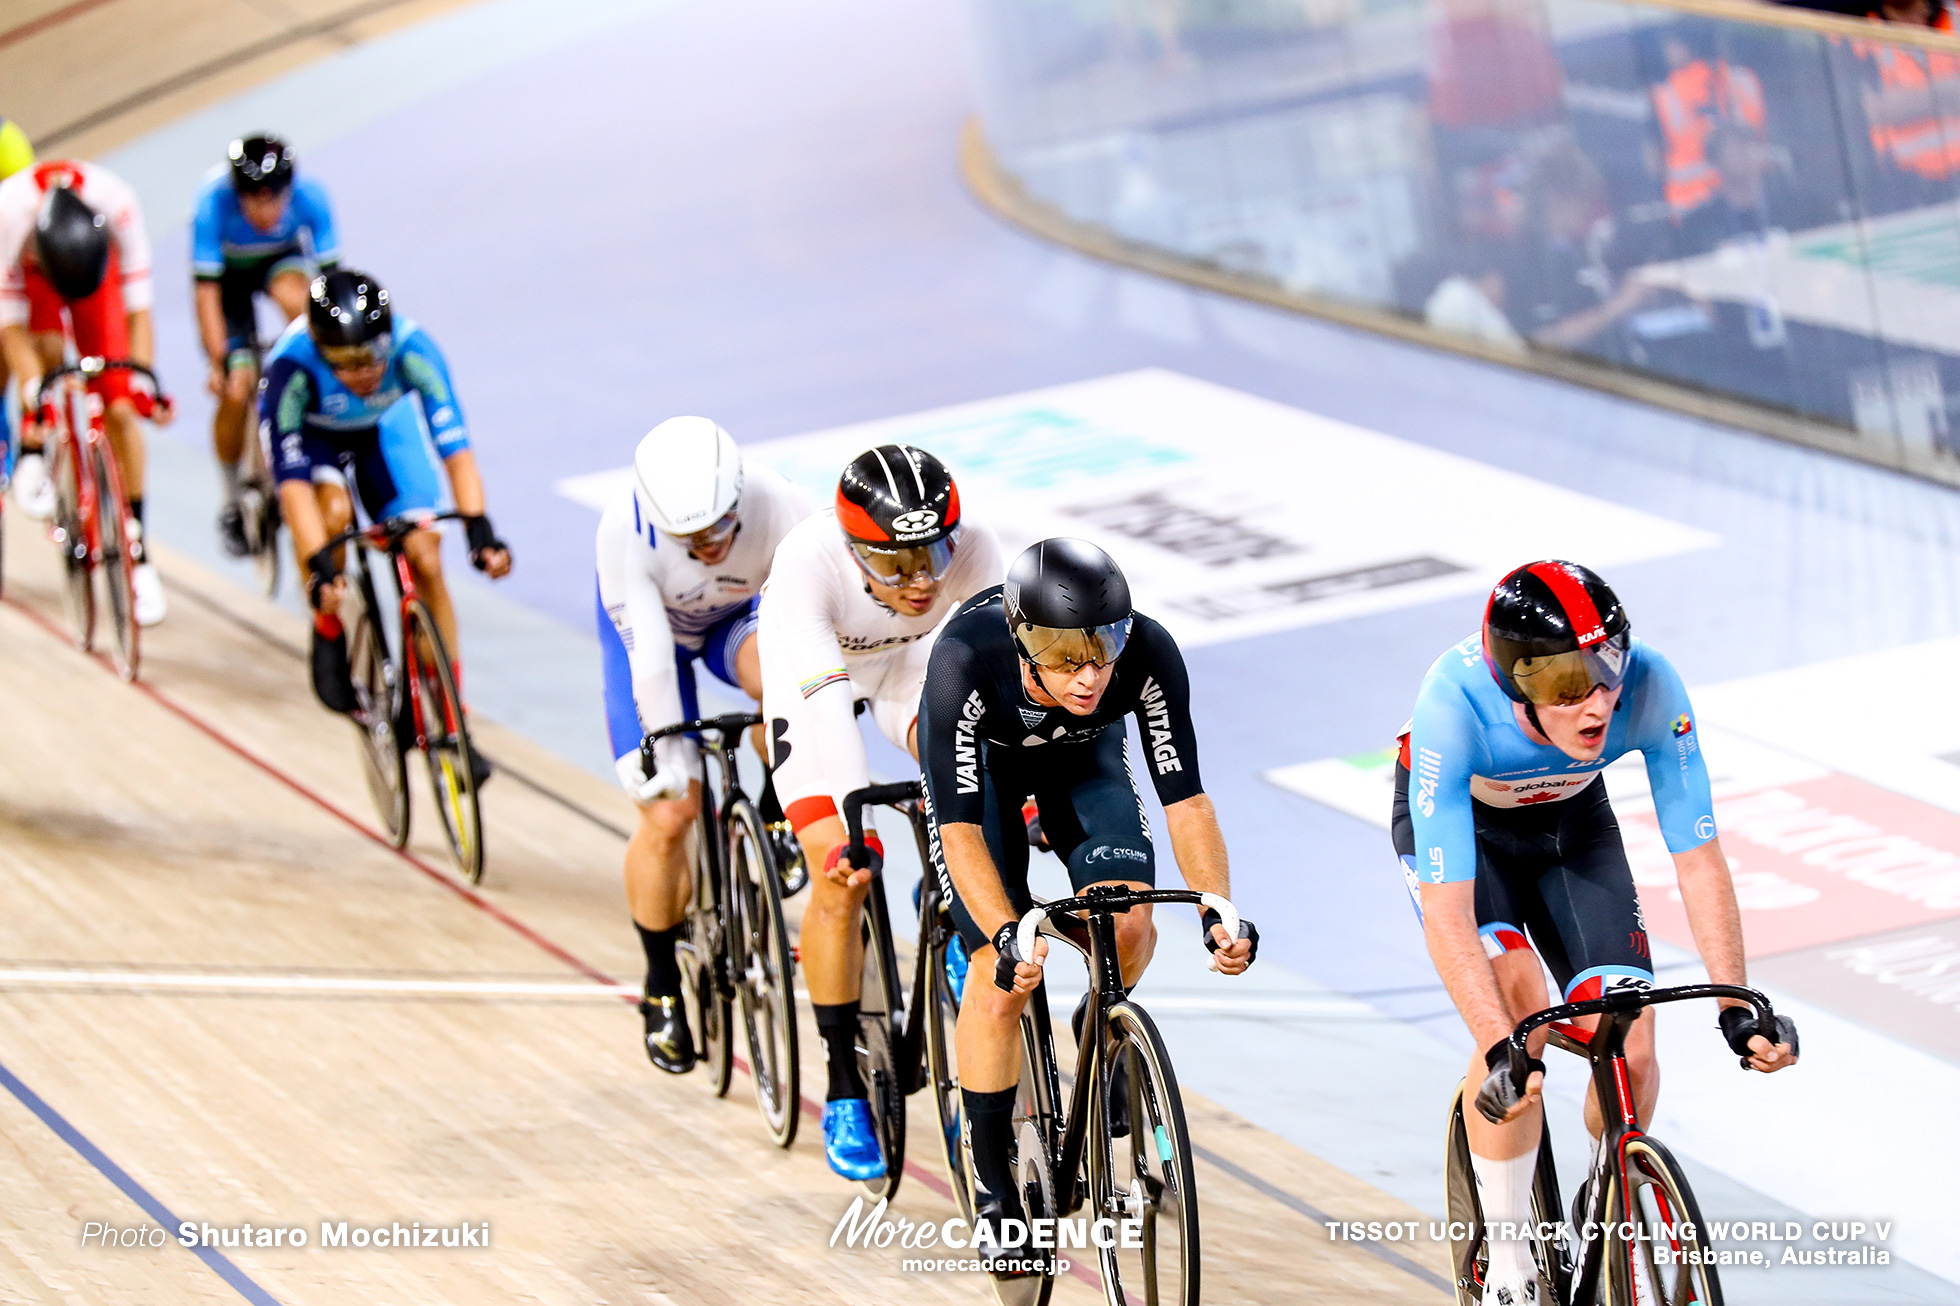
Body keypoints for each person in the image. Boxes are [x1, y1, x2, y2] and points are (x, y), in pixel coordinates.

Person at [1394, 560, 1798, 1306]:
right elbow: (1449, 914)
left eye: (1606, 668)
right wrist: (1497, 1045)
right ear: (1518, 684)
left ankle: (1606, 1191)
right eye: (1565, 687)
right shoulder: (1454, 708)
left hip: (1572, 829)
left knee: (1630, 1037)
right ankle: (1510, 1259)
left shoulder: (1652, 685)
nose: (1597, 702)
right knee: (1519, 1010)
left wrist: (1736, 1003)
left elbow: (1699, 857)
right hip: (1470, 842)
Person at [919, 538, 1256, 1269]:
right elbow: (957, 827)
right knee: (996, 971)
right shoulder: (963, 661)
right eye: (1068, 659)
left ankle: (1097, 1019)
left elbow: (1186, 798)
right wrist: (1006, 932)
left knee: (1130, 923)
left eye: (1103, 651)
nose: (1091, 675)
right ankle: (992, 1178)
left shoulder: (1148, 653)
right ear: (1023, 640)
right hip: (989, 785)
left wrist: (1216, 907)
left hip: (1085, 763)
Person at [758, 443, 1003, 1181]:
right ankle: (840, 1085)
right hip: (811, 681)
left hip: (908, 667)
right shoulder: (808, 563)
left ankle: (956, 912)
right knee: (842, 877)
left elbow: (1001, 678)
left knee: (974, 771)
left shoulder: (977, 548)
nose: (922, 578)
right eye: (895, 565)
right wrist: (855, 831)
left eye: (933, 552)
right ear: (853, 547)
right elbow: (829, 712)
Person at [595, 415, 812, 1072]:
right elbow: (652, 667)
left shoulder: (782, 506)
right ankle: (660, 982)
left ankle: (773, 812)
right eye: (691, 536)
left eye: (721, 526)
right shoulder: (623, 534)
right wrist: (660, 750)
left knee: (784, 686)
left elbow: (808, 627)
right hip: (652, 637)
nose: (711, 544)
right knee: (669, 814)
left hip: (736, 624)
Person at [262, 268, 511, 782]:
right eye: (347, 363)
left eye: (373, 354)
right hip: (317, 440)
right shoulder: (290, 369)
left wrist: (479, 527)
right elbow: (292, 489)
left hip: (385, 432)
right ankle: (328, 623)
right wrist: (319, 572)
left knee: (425, 558)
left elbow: (456, 451)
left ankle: (452, 714)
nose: (365, 371)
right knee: (332, 519)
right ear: (319, 347)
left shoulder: (414, 350)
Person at [0, 159, 170, 624]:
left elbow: (138, 312)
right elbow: (10, 330)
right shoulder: (7, 216)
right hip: (26, 276)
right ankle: (31, 448)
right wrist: (35, 390)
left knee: (118, 407)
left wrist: (140, 387)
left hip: (95, 276)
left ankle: (138, 550)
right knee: (44, 351)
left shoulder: (118, 205)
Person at [192, 134, 339, 556]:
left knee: (300, 301)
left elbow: (330, 287)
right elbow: (207, 295)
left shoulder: (312, 198)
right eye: (253, 200)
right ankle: (231, 496)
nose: (265, 209)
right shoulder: (211, 203)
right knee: (237, 387)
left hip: (281, 262)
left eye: (274, 198)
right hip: (227, 281)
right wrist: (220, 362)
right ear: (235, 194)